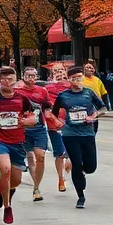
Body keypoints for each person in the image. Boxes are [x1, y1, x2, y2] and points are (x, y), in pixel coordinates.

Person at [0, 66, 36, 225]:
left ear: (16, 79)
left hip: (17, 141)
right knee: (5, 169)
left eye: (10, 79)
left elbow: (32, 116)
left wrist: (27, 121)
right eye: (4, 79)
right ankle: (7, 207)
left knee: (15, 181)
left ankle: (1, 190)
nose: (7, 82)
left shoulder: (22, 98)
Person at [51, 66, 103, 209]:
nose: (77, 81)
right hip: (70, 134)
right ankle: (80, 196)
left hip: (87, 133)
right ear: (69, 80)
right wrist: (59, 123)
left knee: (91, 166)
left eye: (79, 78)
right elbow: (54, 113)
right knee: (76, 162)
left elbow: (103, 108)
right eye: (74, 78)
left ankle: (83, 172)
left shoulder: (89, 93)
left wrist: (93, 116)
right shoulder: (63, 95)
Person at [14, 67, 51, 202]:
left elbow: (47, 107)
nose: (31, 78)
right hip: (23, 129)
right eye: (28, 75)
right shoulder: (17, 91)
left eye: (33, 75)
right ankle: (36, 189)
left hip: (39, 128)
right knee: (30, 156)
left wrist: (50, 118)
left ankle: (36, 186)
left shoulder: (42, 91)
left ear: (37, 77)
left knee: (40, 156)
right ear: (23, 76)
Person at [43, 63, 72, 193]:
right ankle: (60, 178)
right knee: (60, 153)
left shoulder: (71, 86)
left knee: (72, 152)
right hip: (54, 125)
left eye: (61, 70)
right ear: (51, 73)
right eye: (56, 71)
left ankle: (70, 165)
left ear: (65, 72)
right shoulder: (47, 88)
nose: (59, 73)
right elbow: (44, 106)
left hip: (71, 124)